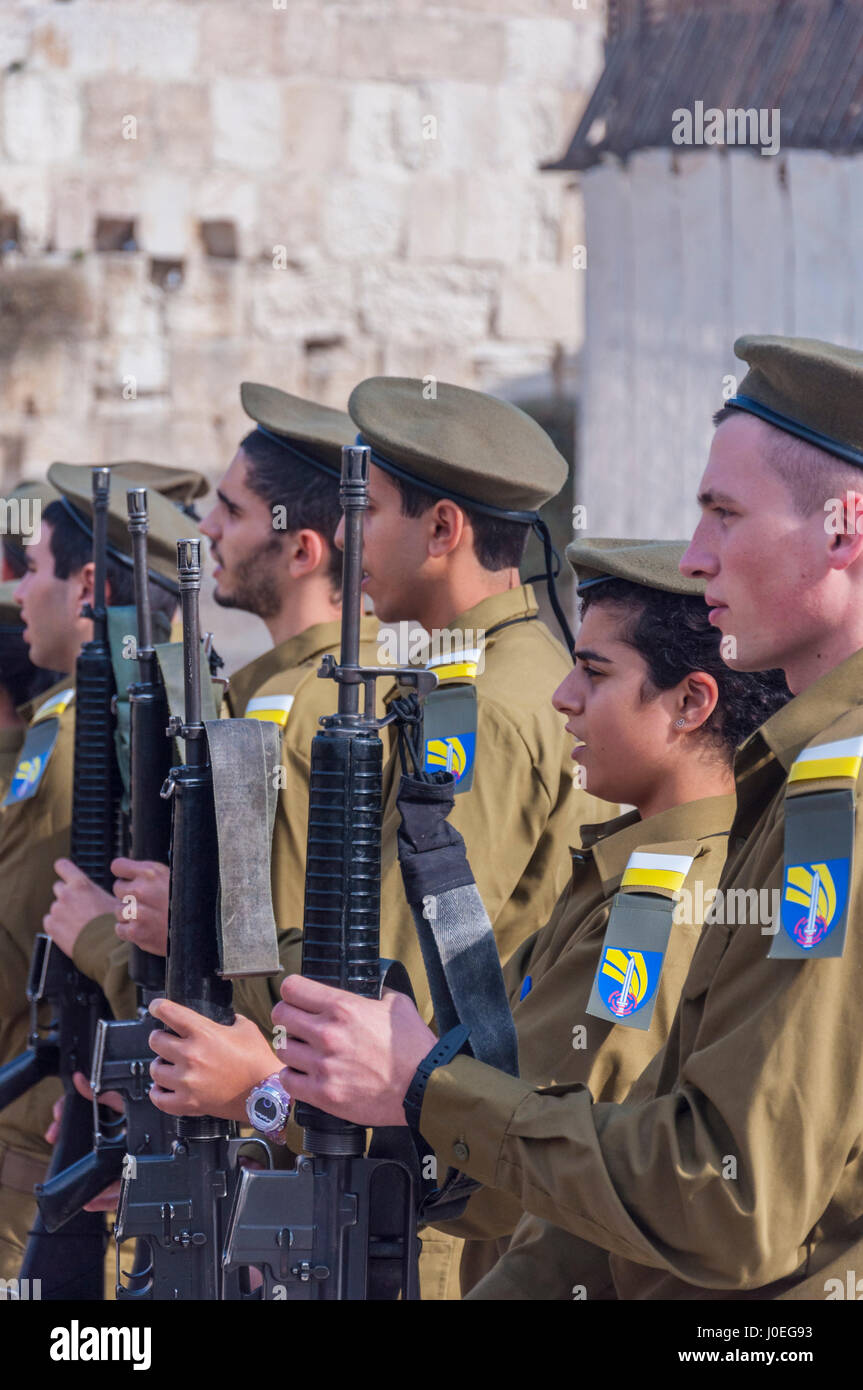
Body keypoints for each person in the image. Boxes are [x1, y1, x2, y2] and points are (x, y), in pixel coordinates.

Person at [267, 334, 863, 1301]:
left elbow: (728, 1199)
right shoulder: (797, 780)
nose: (696, 555)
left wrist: (424, 1088)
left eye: (722, 514)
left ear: (842, 530)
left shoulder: (834, 800)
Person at [141, 377, 614, 1298]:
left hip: (425, 1195)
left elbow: (384, 980)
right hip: (414, 1167)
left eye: (377, 510)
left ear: (442, 530)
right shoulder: (456, 683)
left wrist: (221, 948)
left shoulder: (488, 710)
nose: (351, 541)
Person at [0, 461, 200, 1281]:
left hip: (48, 1123)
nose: (19, 595)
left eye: (35, 569)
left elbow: (15, 927)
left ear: (87, 585)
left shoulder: (90, 726)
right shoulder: (95, 717)